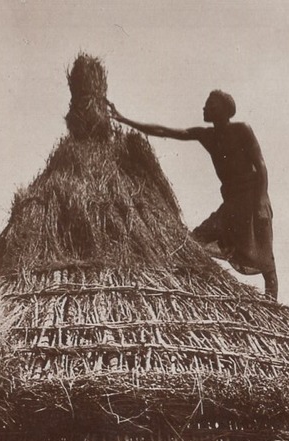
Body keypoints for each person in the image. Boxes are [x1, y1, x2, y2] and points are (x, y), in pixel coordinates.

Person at [108, 91, 279, 299]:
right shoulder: (206, 135)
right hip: (232, 203)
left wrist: (261, 201)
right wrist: (124, 119)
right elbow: (165, 131)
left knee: (266, 261)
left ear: (225, 110)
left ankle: (272, 303)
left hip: (253, 199)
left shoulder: (242, 130)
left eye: (210, 105)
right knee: (197, 239)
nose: (205, 108)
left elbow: (261, 166)